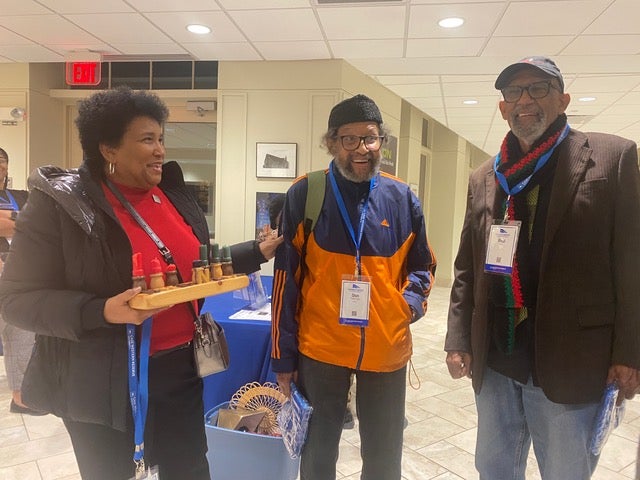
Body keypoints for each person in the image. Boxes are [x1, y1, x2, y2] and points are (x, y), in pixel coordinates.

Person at [0, 87, 279, 480]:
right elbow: (16, 300)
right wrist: (101, 311)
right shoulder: (61, 206)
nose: (160, 150)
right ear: (108, 149)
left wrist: (256, 251)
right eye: (147, 139)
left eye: (161, 138)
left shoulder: (172, 194)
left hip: (180, 371)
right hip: (101, 379)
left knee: (191, 471)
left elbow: (188, 269)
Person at [445, 56, 640, 479]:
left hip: (571, 358)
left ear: (563, 100)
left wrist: (629, 352)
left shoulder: (613, 157)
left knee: (565, 471)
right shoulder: (485, 176)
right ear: (502, 107)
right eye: (513, 92)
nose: (524, 100)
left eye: (538, 89)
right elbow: (466, 268)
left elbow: (632, 263)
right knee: (494, 468)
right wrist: (458, 336)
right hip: (497, 354)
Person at [271, 94, 436, 480]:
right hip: (321, 348)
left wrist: (405, 307)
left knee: (383, 456)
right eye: (350, 139)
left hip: (385, 347)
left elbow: (423, 266)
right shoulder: (306, 193)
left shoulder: (402, 198)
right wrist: (282, 357)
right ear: (331, 143)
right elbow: (285, 282)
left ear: (382, 142)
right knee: (317, 454)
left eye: (371, 138)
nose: (362, 149)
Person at [0, 148, 41, 415]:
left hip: (19, 271)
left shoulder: (20, 196)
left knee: (21, 329)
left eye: (3, 164)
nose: (0, 170)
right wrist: (21, 221)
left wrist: (13, 219)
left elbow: (38, 221)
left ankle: (22, 396)